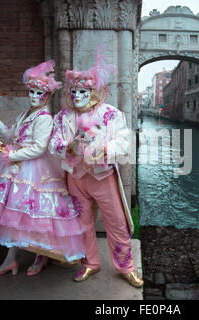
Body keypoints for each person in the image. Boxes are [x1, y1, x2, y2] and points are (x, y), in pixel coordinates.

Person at [0, 60, 85, 276]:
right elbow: (11, 134)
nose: (33, 96)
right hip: (15, 168)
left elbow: (40, 148)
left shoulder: (44, 118)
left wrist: (10, 154)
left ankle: (41, 256)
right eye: (31, 92)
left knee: (37, 218)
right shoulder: (26, 114)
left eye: (38, 93)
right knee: (13, 219)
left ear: (47, 96)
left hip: (34, 171)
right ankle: (11, 259)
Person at [48, 44, 143, 287]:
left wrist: (105, 150)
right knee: (82, 223)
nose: (77, 96)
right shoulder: (62, 117)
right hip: (75, 178)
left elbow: (124, 142)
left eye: (83, 92)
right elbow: (53, 143)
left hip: (102, 177)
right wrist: (68, 147)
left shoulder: (111, 114)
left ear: (94, 92)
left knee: (117, 223)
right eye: (74, 92)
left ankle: (126, 267)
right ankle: (90, 263)